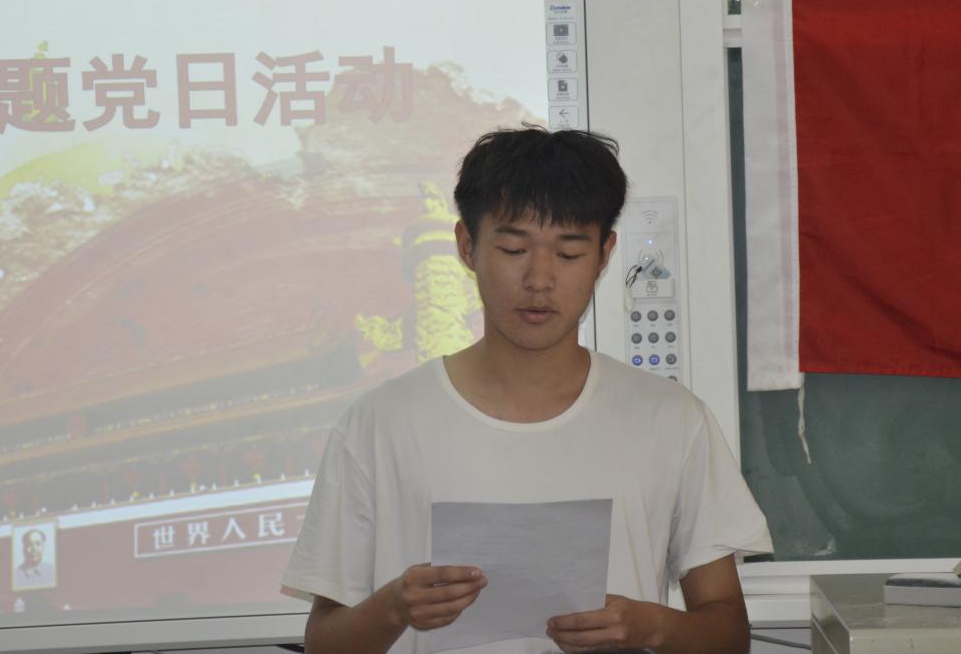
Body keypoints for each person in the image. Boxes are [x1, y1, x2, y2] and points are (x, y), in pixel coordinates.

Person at [282, 126, 773, 653]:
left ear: (604, 254)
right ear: (467, 246)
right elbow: (323, 643)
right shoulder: (381, 422)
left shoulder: (671, 419)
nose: (540, 279)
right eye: (514, 248)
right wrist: (393, 608)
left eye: (569, 253)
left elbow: (729, 635)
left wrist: (651, 626)